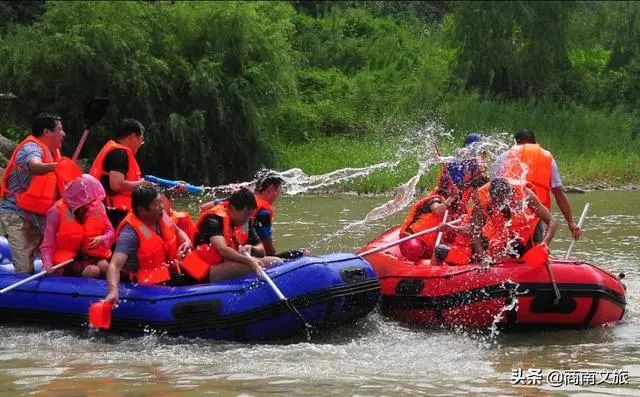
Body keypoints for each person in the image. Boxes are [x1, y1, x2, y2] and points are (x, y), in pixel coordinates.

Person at [0, 113, 70, 273]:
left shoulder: (53, 153)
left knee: (57, 261)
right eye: (60, 129)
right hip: (17, 215)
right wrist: (57, 166)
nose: (63, 134)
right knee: (24, 269)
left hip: (40, 217)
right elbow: (33, 165)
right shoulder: (31, 148)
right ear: (46, 132)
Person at [435, 178, 558, 266]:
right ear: (491, 196)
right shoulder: (482, 199)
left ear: (510, 195)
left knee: (523, 247)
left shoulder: (525, 195)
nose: (499, 205)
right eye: (496, 201)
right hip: (505, 229)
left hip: (529, 224)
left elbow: (551, 220)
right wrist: (483, 257)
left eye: (503, 201)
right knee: (497, 251)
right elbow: (474, 231)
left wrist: (545, 243)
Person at [104, 186, 192, 304]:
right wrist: (113, 290)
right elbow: (114, 265)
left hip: (166, 272)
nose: (161, 206)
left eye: (161, 202)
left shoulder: (161, 215)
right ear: (141, 210)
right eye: (156, 204)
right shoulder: (130, 232)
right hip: (144, 282)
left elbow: (178, 231)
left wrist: (186, 241)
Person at [493, 128, 581, 241]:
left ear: (515, 142)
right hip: (536, 212)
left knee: (505, 247)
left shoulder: (504, 156)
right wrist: (571, 222)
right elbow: (558, 193)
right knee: (534, 247)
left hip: (508, 211)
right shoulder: (548, 158)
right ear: (535, 142)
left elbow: (493, 188)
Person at [183, 188, 282, 282]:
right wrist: (249, 261)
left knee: (276, 261)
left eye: (251, 214)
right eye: (246, 214)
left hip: (227, 263)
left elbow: (261, 250)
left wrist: (252, 249)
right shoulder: (213, 219)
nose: (248, 219)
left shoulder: (246, 221)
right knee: (249, 266)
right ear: (232, 209)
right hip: (205, 269)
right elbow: (222, 250)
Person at [40, 174, 114, 278]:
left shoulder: (97, 206)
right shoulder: (56, 212)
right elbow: (47, 243)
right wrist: (47, 263)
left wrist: (102, 239)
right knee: (93, 271)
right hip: (67, 261)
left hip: (90, 257)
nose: (92, 204)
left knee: (104, 267)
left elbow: (110, 231)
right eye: (89, 200)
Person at [90, 118, 151, 228]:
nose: (140, 144)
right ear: (132, 137)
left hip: (107, 208)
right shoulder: (119, 154)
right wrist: (142, 184)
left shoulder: (115, 149)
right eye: (140, 140)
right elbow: (116, 185)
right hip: (113, 211)